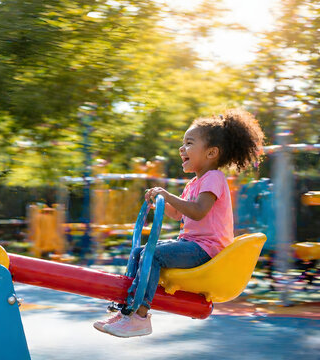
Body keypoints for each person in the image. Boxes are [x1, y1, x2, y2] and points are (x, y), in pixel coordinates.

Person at [94, 108, 264, 337]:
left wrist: (167, 195)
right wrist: (159, 203)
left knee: (153, 254)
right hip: (192, 244)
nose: (181, 149)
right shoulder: (193, 183)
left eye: (189, 143)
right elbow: (178, 214)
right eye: (183, 143)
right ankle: (126, 310)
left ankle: (140, 315)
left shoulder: (214, 177)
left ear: (211, 153)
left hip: (207, 249)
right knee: (139, 252)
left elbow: (198, 211)